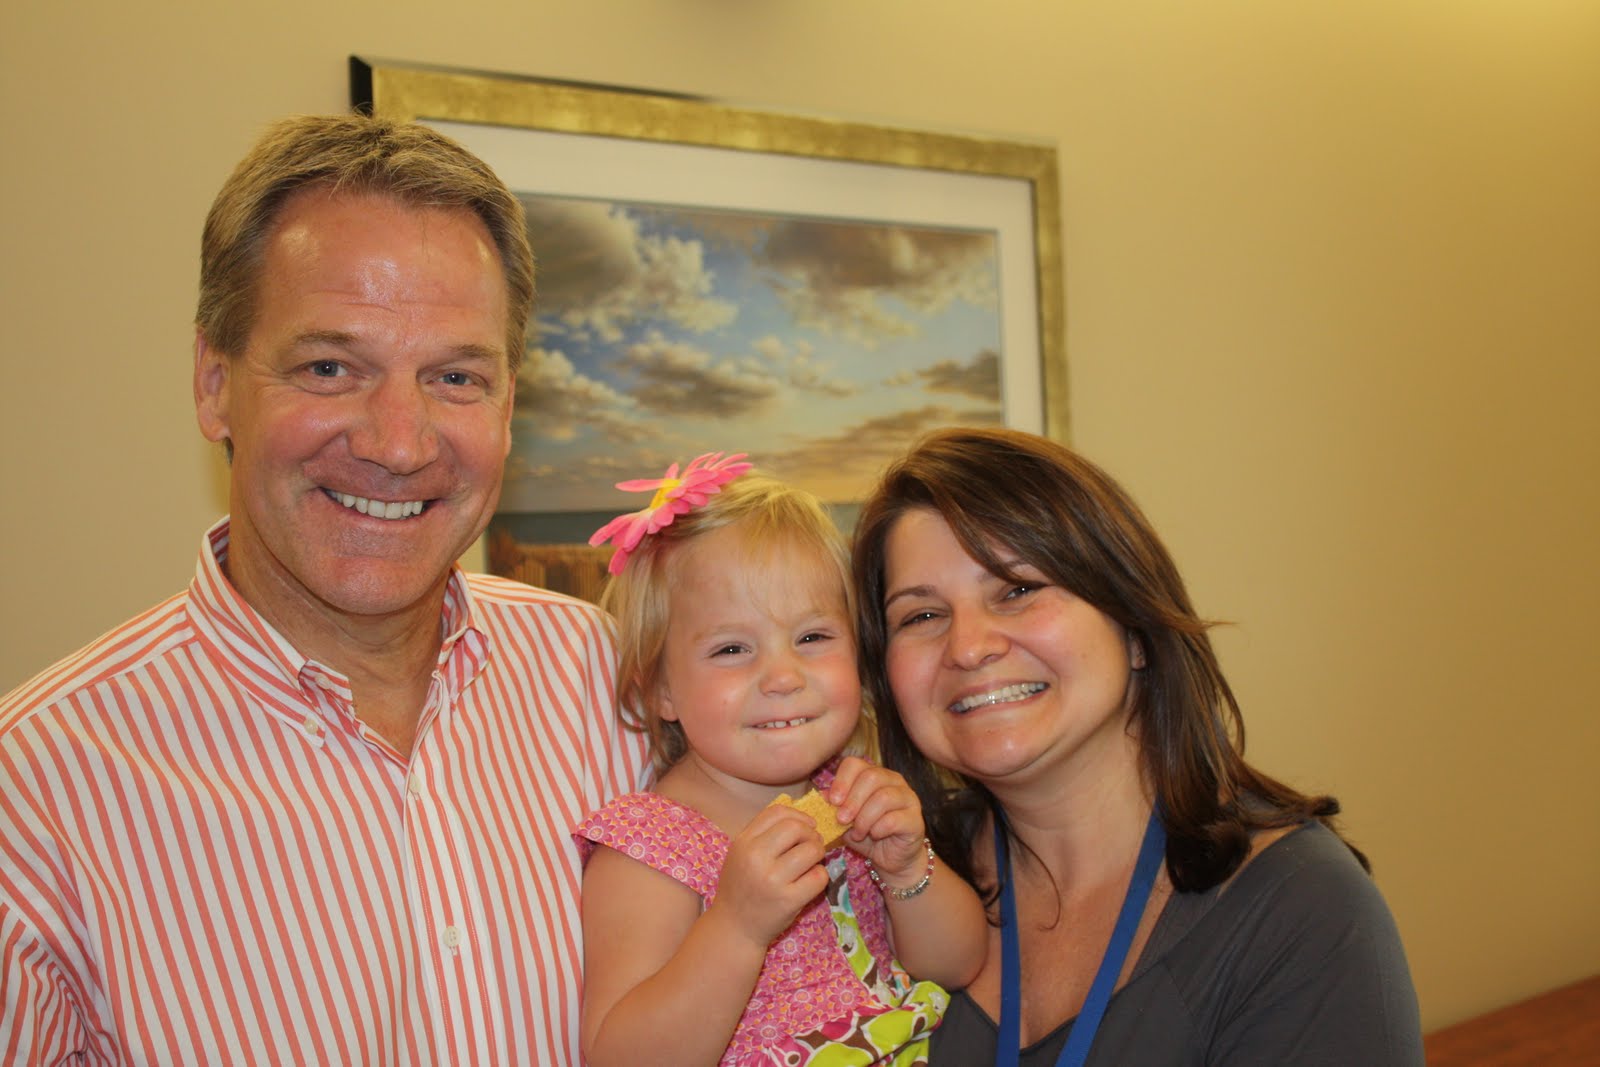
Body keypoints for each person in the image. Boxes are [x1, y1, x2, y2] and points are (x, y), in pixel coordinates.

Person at [0, 114, 649, 1064]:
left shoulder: (611, 684)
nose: (399, 442)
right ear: (214, 382)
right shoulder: (35, 799)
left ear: (508, 407)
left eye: (455, 376)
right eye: (330, 367)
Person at [851, 426, 1424, 1066]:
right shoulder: (875, 882)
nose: (967, 647)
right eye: (922, 616)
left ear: (1135, 629)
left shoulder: (1302, 912)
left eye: (1017, 589)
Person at [574, 455, 988, 1067]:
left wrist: (907, 869)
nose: (783, 677)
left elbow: (958, 964)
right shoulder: (650, 848)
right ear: (659, 689)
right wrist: (737, 927)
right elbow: (623, 1057)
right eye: (732, 649)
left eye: (812, 638)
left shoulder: (855, 795)